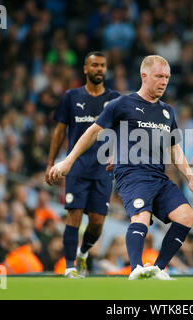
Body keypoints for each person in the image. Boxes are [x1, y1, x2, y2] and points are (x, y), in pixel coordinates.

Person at [48, 55, 193, 280]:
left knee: (186, 216)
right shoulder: (121, 104)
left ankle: (158, 269)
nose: (164, 81)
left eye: (167, 77)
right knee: (140, 216)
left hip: (158, 176)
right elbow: (92, 132)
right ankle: (136, 268)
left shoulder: (167, 111)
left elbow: (174, 148)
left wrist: (191, 178)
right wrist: (68, 161)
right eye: (159, 76)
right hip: (132, 173)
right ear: (144, 75)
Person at [45, 51, 120, 278]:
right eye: (94, 65)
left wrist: (117, 154)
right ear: (85, 69)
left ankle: (83, 253)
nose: (99, 69)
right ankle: (70, 268)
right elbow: (59, 131)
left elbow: (123, 132)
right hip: (76, 167)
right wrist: (50, 163)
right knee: (74, 215)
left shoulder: (115, 99)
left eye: (103, 66)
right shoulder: (71, 96)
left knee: (96, 223)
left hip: (103, 170)